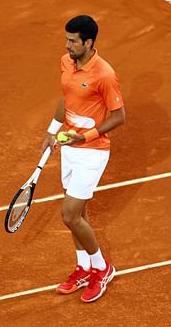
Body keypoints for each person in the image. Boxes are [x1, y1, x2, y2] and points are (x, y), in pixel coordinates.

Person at [41, 15, 125, 302]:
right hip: (69, 147)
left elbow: (119, 117)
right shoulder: (67, 62)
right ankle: (84, 267)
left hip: (92, 151)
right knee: (81, 214)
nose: (67, 45)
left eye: (72, 41)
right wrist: (52, 131)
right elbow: (67, 97)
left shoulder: (104, 74)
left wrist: (86, 135)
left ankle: (102, 268)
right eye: (66, 39)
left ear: (88, 42)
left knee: (69, 215)